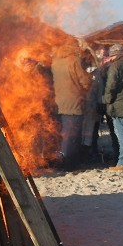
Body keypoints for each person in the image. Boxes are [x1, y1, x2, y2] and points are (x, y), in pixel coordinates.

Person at [50, 41, 91, 169]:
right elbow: (85, 81)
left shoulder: (55, 62)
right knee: (73, 134)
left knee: (63, 133)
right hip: (74, 102)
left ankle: (60, 160)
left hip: (59, 102)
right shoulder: (74, 61)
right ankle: (70, 163)